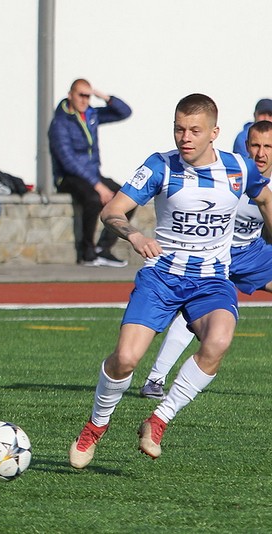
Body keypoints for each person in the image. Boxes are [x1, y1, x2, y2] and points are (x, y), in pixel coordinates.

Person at [69, 94, 272, 470]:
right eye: (179, 129)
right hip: (162, 276)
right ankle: (95, 426)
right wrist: (134, 235)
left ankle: (158, 420)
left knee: (218, 342)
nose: (185, 137)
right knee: (126, 359)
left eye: (194, 130)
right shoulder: (159, 166)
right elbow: (112, 211)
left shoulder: (239, 168)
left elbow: (264, 198)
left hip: (211, 279)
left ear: (214, 132)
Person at [140, 119, 272, 399]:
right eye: (255, 146)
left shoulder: (262, 186)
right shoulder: (232, 174)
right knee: (197, 306)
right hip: (210, 253)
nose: (261, 153)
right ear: (246, 146)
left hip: (251, 252)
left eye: (268, 147)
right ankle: (155, 378)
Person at [48, 79, 133, 267]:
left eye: (88, 96)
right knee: (93, 199)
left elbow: (124, 112)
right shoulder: (60, 122)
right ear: (70, 95)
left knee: (127, 197)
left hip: (92, 174)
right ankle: (87, 253)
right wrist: (97, 185)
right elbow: (68, 161)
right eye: (81, 95)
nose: (84, 100)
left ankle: (103, 249)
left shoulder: (91, 114)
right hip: (69, 177)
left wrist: (102, 95)